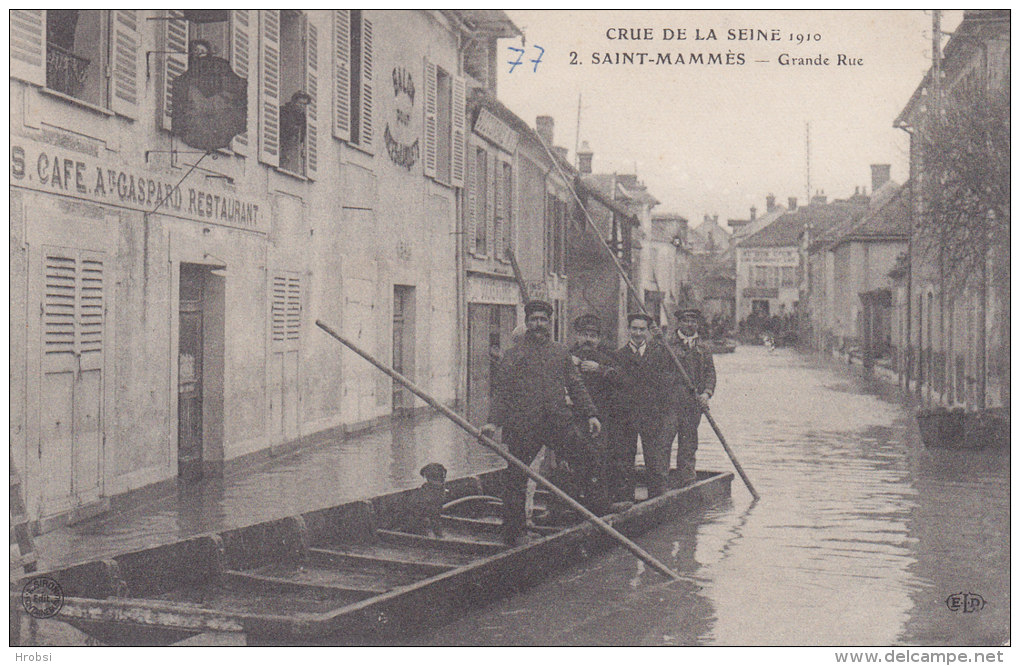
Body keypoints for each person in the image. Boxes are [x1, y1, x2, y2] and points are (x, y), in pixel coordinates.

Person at [481, 300, 602, 545]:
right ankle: (514, 532)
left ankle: (592, 514)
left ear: (549, 323)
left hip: (558, 422)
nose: (538, 324)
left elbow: (575, 385)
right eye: (534, 319)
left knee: (588, 459)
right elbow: (502, 392)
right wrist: (492, 424)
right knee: (516, 478)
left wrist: (591, 414)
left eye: (543, 320)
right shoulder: (513, 355)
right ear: (526, 323)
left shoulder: (560, 352)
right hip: (524, 426)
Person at [611, 312, 679, 502]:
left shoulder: (658, 354)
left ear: (648, 332)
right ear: (628, 330)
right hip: (627, 416)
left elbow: (667, 381)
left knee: (654, 460)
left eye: (642, 329)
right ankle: (626, 500)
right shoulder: (619, 356)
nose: (638, 333)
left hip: (651, 415)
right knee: (625, 459)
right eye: (634, 328)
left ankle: (656, 500)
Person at [668, 308, 717, 486]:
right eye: (686, 321)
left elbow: (710, 374)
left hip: (693, 405)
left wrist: (706, 393)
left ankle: (686, 482)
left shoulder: (703, 348)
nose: (690, 325)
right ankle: (660, 484)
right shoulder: (667, 345)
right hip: (670, 405)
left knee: (688, 444)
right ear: (679, 323)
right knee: (664, 443)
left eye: (693, 322)